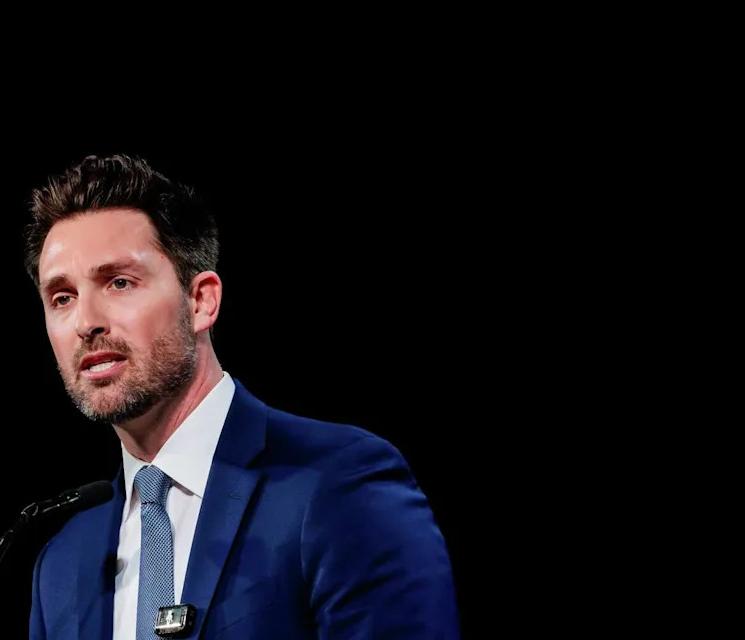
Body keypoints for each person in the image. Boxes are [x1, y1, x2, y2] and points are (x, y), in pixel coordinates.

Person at [24, 153, 460, 640]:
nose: (86, 322)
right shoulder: (60, 567)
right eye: (61, 297)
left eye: (119, 282)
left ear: (201, 301)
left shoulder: (337, 484)